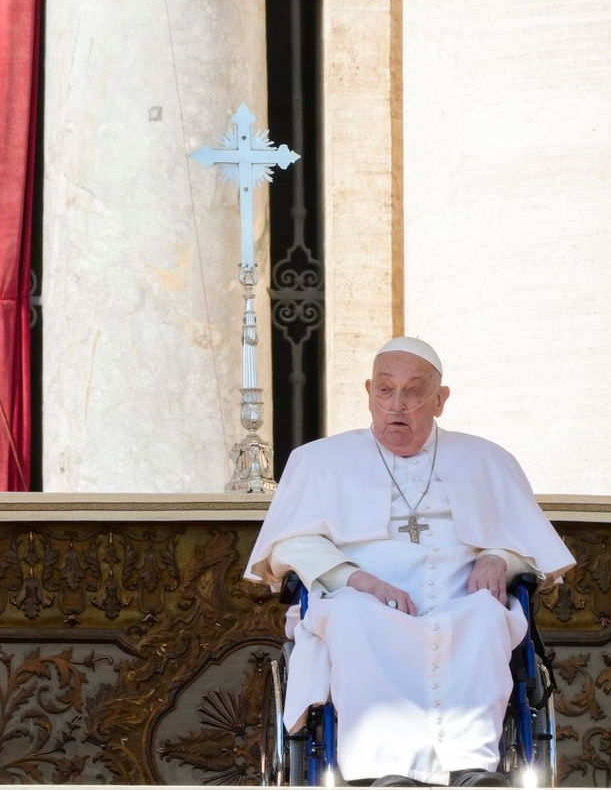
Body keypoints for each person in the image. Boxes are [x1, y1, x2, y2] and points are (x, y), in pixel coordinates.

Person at [245, 337, 574, 787]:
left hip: (463, 600)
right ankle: (383, 772)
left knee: (487, 615)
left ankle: (471, 769)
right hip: (360, 600)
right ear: (368, 392)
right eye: (385, 390)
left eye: (414, 392)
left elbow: (533, 546)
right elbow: (286, 546)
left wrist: (499, 557)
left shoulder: (488, 460)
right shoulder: (318, 461)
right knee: (354, 617)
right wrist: (353, 578)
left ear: (440, 400)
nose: (396, 405)